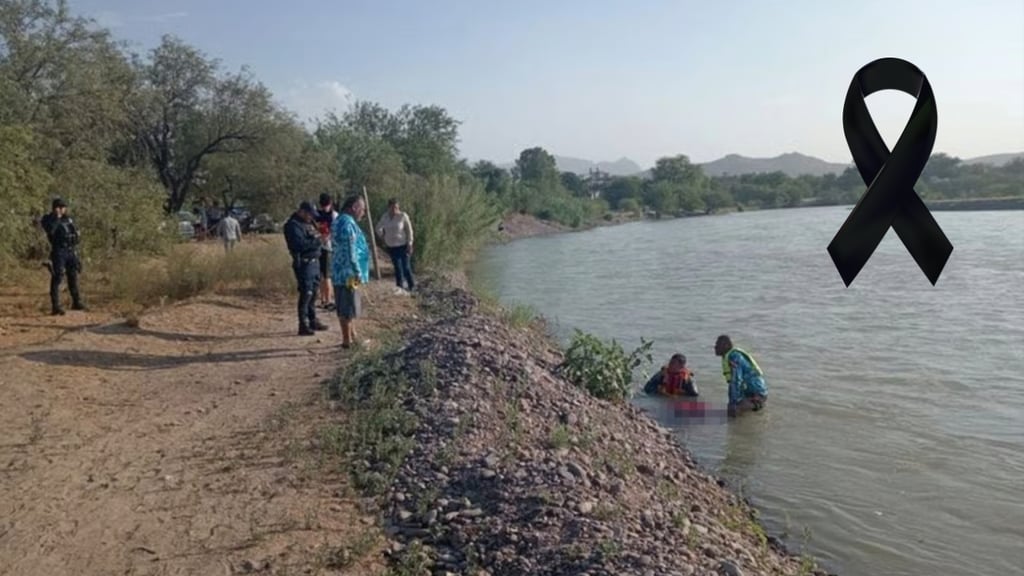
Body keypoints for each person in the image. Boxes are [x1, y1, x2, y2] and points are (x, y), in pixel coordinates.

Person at [332, 194, 372, 349]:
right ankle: (347, 341)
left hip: (339, 272)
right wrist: (357, 272)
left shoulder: (338, 221)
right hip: (349, 273)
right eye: (362, 209)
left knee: (346, 304)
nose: (363, 213)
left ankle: (353, 336)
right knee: (348, 305)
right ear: (354, 207)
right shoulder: (347, 224)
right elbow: (351, 251)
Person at [283, 201, 329, 336]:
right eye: (309, 214)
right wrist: (318, 241)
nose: (311, 217)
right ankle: (303, 324)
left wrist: (322, 237)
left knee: (314, 293)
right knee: (306, 294)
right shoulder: (292, 226)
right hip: (304, 264)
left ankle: (312, 320)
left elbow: (315, 235)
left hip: (315, 262)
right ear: (302, 211)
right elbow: (299, 245)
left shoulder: (308, 223)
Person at [40, 198, 85, 315]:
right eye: (60, 207)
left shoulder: (68, 219)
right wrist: (57, 217)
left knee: (73, 275)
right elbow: (50, 231)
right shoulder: (48, 219)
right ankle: (55, 306)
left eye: (63, 207)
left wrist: (76, 252)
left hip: (70, 250)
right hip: (58, 251)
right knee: (58, 276)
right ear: (55, 208)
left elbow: (75, 233)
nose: (62, 210)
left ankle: (76, 301)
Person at [714, 335, 768, 417]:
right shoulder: (728, 357)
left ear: (726, 346)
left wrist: (733, 403)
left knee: (733, 409)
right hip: (748, 393)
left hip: (756, 395)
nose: (715, 347)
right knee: (733, 409)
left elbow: (736, 381)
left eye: (717, 345)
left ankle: (756, 405)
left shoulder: (734, 357)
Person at [374, 198, 415, 292]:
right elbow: (378, 227)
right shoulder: (385, 217)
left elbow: (409, 231)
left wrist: (410, 243)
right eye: (393, 207)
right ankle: (400, 287)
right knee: (397, 267)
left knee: (406, 267)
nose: (395, 210)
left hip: (403, 245)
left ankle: (412, 286)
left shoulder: (402, 216)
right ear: (389, 207)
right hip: (392, 246)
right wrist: (382, 236)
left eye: (396, 207)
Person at [315, 193, 338, 310]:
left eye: (327, 205)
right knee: (321, 275)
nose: (325, 207)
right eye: (323, 205)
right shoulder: (317, 214)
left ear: (330, 204)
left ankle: (329, 299)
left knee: (327, 274)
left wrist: (327, 236)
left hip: (329, 248)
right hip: (318, 247)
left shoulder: (334, 216)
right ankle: (323, 299)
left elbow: (335, 231)